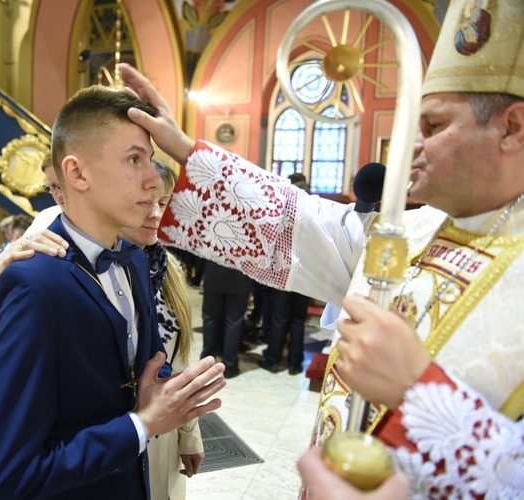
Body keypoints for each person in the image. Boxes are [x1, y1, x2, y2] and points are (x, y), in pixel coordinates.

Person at [119, 0, 524, 492]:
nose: (412, 146)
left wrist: (419, 392)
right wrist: (184, 150)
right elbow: (301, 223)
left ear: (512, 127)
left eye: (434, 127)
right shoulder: (413, 231)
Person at [0, 85, 225, 499]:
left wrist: (174, 401)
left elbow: (145, 369)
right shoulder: (34, 283)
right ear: (76, 174)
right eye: (133, 159)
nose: (152, 180)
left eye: (149, 159)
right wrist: (142, 424)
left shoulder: (136, 259)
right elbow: (6, 476)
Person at [120, 159, 204, 499]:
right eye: (147, 201)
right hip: (117, 428)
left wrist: (189, 434)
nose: (156, 213)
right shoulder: (97, 265)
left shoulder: (168, 268)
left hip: (165, 430)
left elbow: (180, 359)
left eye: (164, 202)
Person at [259, 173, 312, 376]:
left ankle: (273, 359)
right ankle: (295, 363)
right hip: (305, 273)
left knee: (280, 318)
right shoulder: (313, 211)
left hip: (284, 271)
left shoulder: (283, 209)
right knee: (298, 319)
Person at [201, 260, 251, 378]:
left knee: (210, 319)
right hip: (240, 275)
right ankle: (230, 365)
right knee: (234, 322)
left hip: (213, 272)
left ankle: (206, 362)